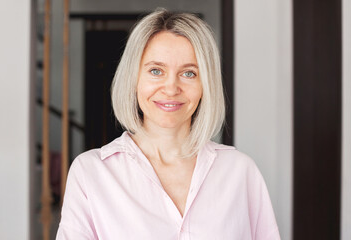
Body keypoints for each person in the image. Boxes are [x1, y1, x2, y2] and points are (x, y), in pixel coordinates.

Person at [56, 9, 280, 240]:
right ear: (133, 79)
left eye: (189, 73)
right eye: (156, 71)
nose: (171, 88)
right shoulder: (91, 172)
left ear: (206, 84)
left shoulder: (240, 171)